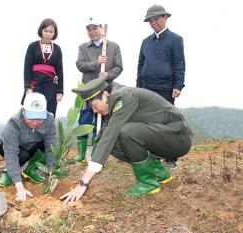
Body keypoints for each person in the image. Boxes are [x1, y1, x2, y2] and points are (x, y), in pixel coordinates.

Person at [60, 77, 192, 204]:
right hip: (163, 136)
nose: (95, 111)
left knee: (125, 132)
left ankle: (148, 183)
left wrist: (84, 183)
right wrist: (89, 162)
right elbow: (103, 137)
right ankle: (159, 173)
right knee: (112, 137)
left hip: (178, 138)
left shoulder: (124, 97)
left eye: (95, 106)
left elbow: (110, 136)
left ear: (105, 94)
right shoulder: (116, 100)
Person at [136, 4, 186, 168]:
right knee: (149, 123)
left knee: (167, 123)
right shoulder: (145, 42)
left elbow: (179, 63)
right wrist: (138, 88)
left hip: (166, 88)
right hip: (147, 88)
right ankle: (154, 155)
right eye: (150, 20)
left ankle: (171, 157)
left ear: (165, 18)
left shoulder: (175, 39)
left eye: (156, 19)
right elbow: (140, 65)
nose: (153, 23)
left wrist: (178, 85)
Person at [75, 17, 123, 162]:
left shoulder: (113, 46)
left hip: (106, 89)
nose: (92, 32)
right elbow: (80, 65)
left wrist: (108, 75)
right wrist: (96, 63)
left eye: (95, 28)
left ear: (101, 28)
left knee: (104, 121)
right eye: (89, 29)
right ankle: (83, 152)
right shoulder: (83, 47)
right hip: (89, 89)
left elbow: (119, 67)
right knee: (86, 120)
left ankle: (99, 152)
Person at [0, 93, 56, 202]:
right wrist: (20, 189)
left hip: (32, 143)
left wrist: (53, 173)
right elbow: (11, 154)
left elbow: (51, 146)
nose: (35, 123)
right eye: (31, 118)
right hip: (7, 146)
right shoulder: (13, 123)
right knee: (23, 156)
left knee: (48, 145)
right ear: (23, 111)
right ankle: (7, 172)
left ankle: (30, 170)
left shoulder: (50, 120)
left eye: (39, 119)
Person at [23, 18, 64, 116]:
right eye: (46, 31)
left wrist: (59, 91)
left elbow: (60, 70)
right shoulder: (32, 46)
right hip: (35, 84)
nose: (48, 34)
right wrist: (28, 88)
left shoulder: (57, 49)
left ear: (54, 33)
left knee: (49, 113)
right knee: (34, 111)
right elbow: (27, 67)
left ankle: (48, 131)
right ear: (41, 31)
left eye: (51, 31)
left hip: (51, 85)